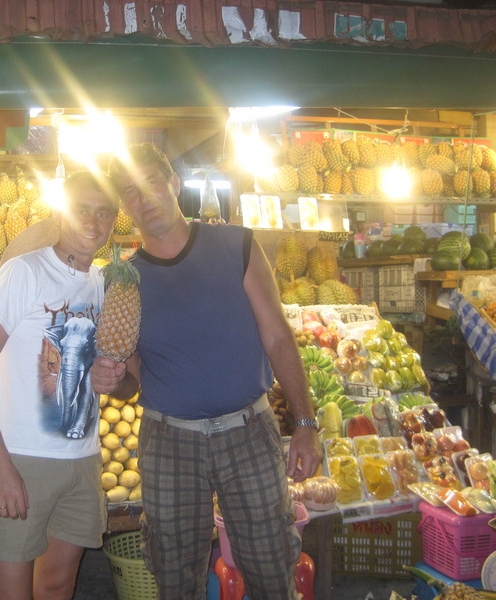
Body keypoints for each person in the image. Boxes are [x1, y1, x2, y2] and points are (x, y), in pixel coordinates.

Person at [92, 143, 323, 599]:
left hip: (249, 432)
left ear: (174, 183)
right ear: (124, 205)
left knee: (273, 569)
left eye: (153, 182)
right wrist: (113, 382)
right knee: (175, 579)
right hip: (169, 442)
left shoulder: (237, 245)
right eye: (131, 192)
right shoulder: (123, 280)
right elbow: (131, 381)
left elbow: (278, 337)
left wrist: (306, 422)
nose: (146, 198)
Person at [0, 171, 118, 600]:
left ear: (114, 221)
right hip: (22, 461)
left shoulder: (104, 285)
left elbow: (120, 384)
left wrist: (116, 379)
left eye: (104, 212)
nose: (92, 221)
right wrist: (2, 467)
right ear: (62, 211)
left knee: (56, 588)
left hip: (82, 461)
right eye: (82, 209)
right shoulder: (24, 272)